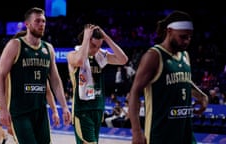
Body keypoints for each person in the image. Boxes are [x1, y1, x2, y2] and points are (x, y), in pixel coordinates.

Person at [128, 10, 209, 144]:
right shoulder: (154, 56)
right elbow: (134, 93)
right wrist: (136, 132)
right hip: (160, 135)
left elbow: (184, 81)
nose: (187, 41)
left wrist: (201, 95)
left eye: (189, 37)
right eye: (183, 37)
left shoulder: (185, 55)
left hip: (185, 133)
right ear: (169, 31)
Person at [0, 7, 71, 144]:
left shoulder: (48, 48)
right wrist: (2, 109)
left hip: (40, 111)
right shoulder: (15, 45)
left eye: (43, 21)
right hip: (19, 112)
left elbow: (55, 80)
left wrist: (64, 107)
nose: (42, 24)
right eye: (37, 21)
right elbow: (0, 77)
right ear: (27, 24)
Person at [67, 23, 128, 144]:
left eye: (99, 46)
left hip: (98, 108)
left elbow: (123, 59)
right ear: (86, 40)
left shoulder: (100, 56)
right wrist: (85, 37)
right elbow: (79, 61)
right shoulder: (72, 55)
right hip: (82, 109)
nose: (96, 50)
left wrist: (107, 38)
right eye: (94, 45)